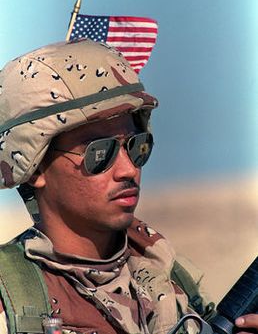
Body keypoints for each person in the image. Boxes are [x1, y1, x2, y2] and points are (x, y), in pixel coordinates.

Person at [0, 38, 256, 334]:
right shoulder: (12, 301)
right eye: (100, 152)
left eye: (136, 146)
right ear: (34, 167)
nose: (128, 169)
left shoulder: (167, 276)